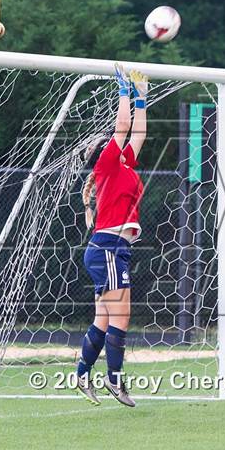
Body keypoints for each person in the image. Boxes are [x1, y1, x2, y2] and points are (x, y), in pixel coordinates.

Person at [76, 64, 148, 407]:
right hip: (107, 247)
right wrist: (123, 92)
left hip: (113, 249)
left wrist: (142, 99)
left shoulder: (126, 166)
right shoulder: (106, 164)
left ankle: (81, 374)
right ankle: (115, 382)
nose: (121, 144)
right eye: (114, 143)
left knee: (105, 319)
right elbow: (123, 128)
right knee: (121, 316)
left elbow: (138, 135)